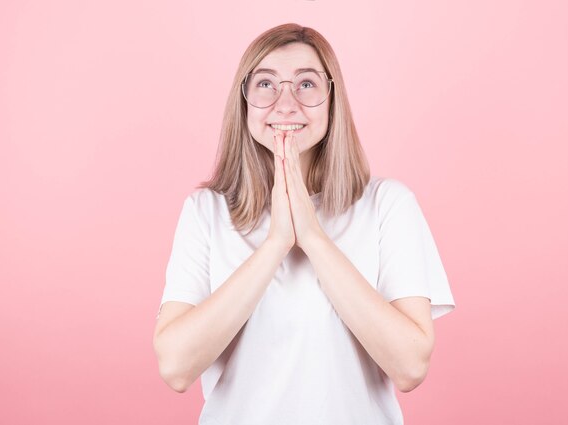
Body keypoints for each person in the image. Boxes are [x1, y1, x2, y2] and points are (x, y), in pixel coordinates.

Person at [153, 23, 455, 425]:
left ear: (333, 99)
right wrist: (277, 243)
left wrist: (312, 236)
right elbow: (175, 367)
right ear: (243, 102)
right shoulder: (205, 212)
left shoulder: (388, 205)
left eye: (306, 84)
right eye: (266, 84)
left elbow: (411, 366)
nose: (286, 103)